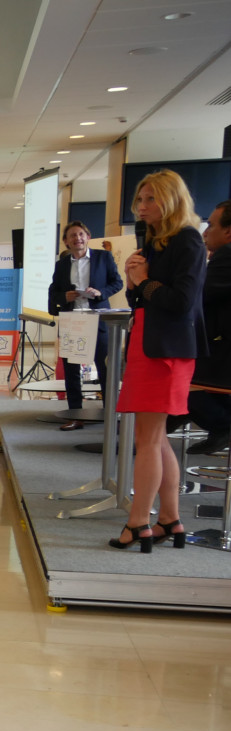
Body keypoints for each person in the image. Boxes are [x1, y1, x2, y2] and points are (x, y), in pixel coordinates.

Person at [111, 169, 208, 552]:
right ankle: (170, 518)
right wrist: (135, 281)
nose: (143, 207)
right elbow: (145, 299)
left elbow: (181, 302)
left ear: (170, 199)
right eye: (140, 200)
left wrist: (146, 280)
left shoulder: (188, 241)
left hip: (167, 350)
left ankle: (138, 524)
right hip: (150, 343)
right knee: (157, 438)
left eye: (150, 199)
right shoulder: (157, 242)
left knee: (147, 440)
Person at [48, 220, 124, 429]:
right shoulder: (61, 265)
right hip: (73, 321)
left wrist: (101, 293)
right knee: (72, 371)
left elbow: (117, 282)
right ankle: (75, 415)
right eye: (72, 235)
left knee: (105, 368)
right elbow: (53, 291)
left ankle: (111, 415)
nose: (78, 238)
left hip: (98, 318)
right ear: (66, 241)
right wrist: (65, 296)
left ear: (88, 237)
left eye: (81, 234)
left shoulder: (103, 257)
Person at [188, 199, 231, 455]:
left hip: (225, 354)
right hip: (220, 349)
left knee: (174, 376)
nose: (205, 233)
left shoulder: (227, 255)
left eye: (211, 226)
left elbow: (196, 296)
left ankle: (223, 425)